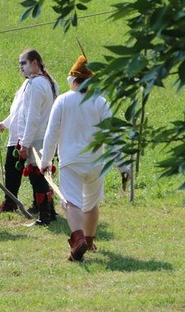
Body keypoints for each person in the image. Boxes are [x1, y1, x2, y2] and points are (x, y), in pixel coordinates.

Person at [40, 55, 113, 261]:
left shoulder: (63, 100)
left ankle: (78, 239)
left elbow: (51, 132)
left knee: (73, 203)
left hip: (71, 161)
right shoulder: (101, 102)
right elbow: (112, 134)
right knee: (91, 203)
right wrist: (121, 164)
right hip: (96, 161)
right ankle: (88, 241)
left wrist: (45, 161)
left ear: (73, 81)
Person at [16, 49, 59, 225]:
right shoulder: (49, 82)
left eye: (23, 63)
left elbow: (32, 118)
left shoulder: (35, 85)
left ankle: (44, 217)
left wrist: (24, 145)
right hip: (46, 136)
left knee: (38, 177)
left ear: (35, 63)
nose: (21, 68)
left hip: (36, 137)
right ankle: (51, 211)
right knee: (44, 175)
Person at [0, 77, 30, 213]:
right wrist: (5, 123)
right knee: (11, 169)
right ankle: (10, 202)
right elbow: (17, 112)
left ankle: (42, 206)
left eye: (24, 64)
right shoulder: (25, 84)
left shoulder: (39, 84)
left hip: (28, 135)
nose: (22, 68)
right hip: (16, 136)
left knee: (35, 172)